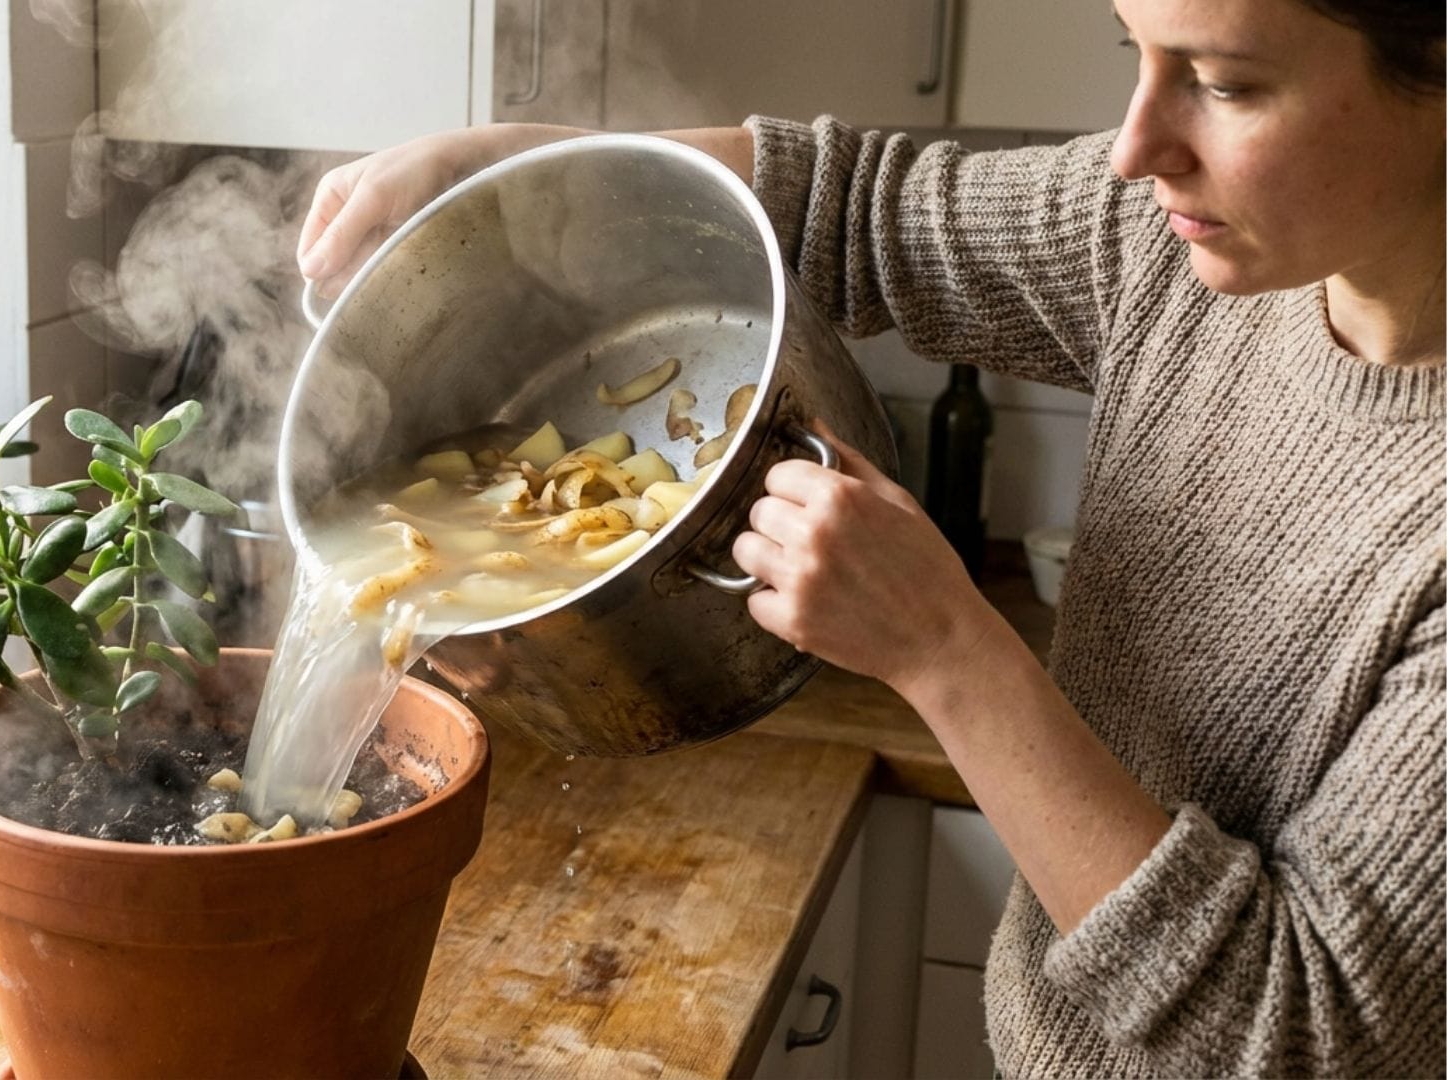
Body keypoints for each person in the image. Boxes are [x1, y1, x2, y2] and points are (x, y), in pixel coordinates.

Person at [296, 0, 1444, 1075]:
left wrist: (949, 651)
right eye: (1132, 52)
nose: (1133, 150)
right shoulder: (1164, 242)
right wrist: (507, 170)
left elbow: (1293, 1032)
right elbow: (849, 205)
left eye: (1227, 86)